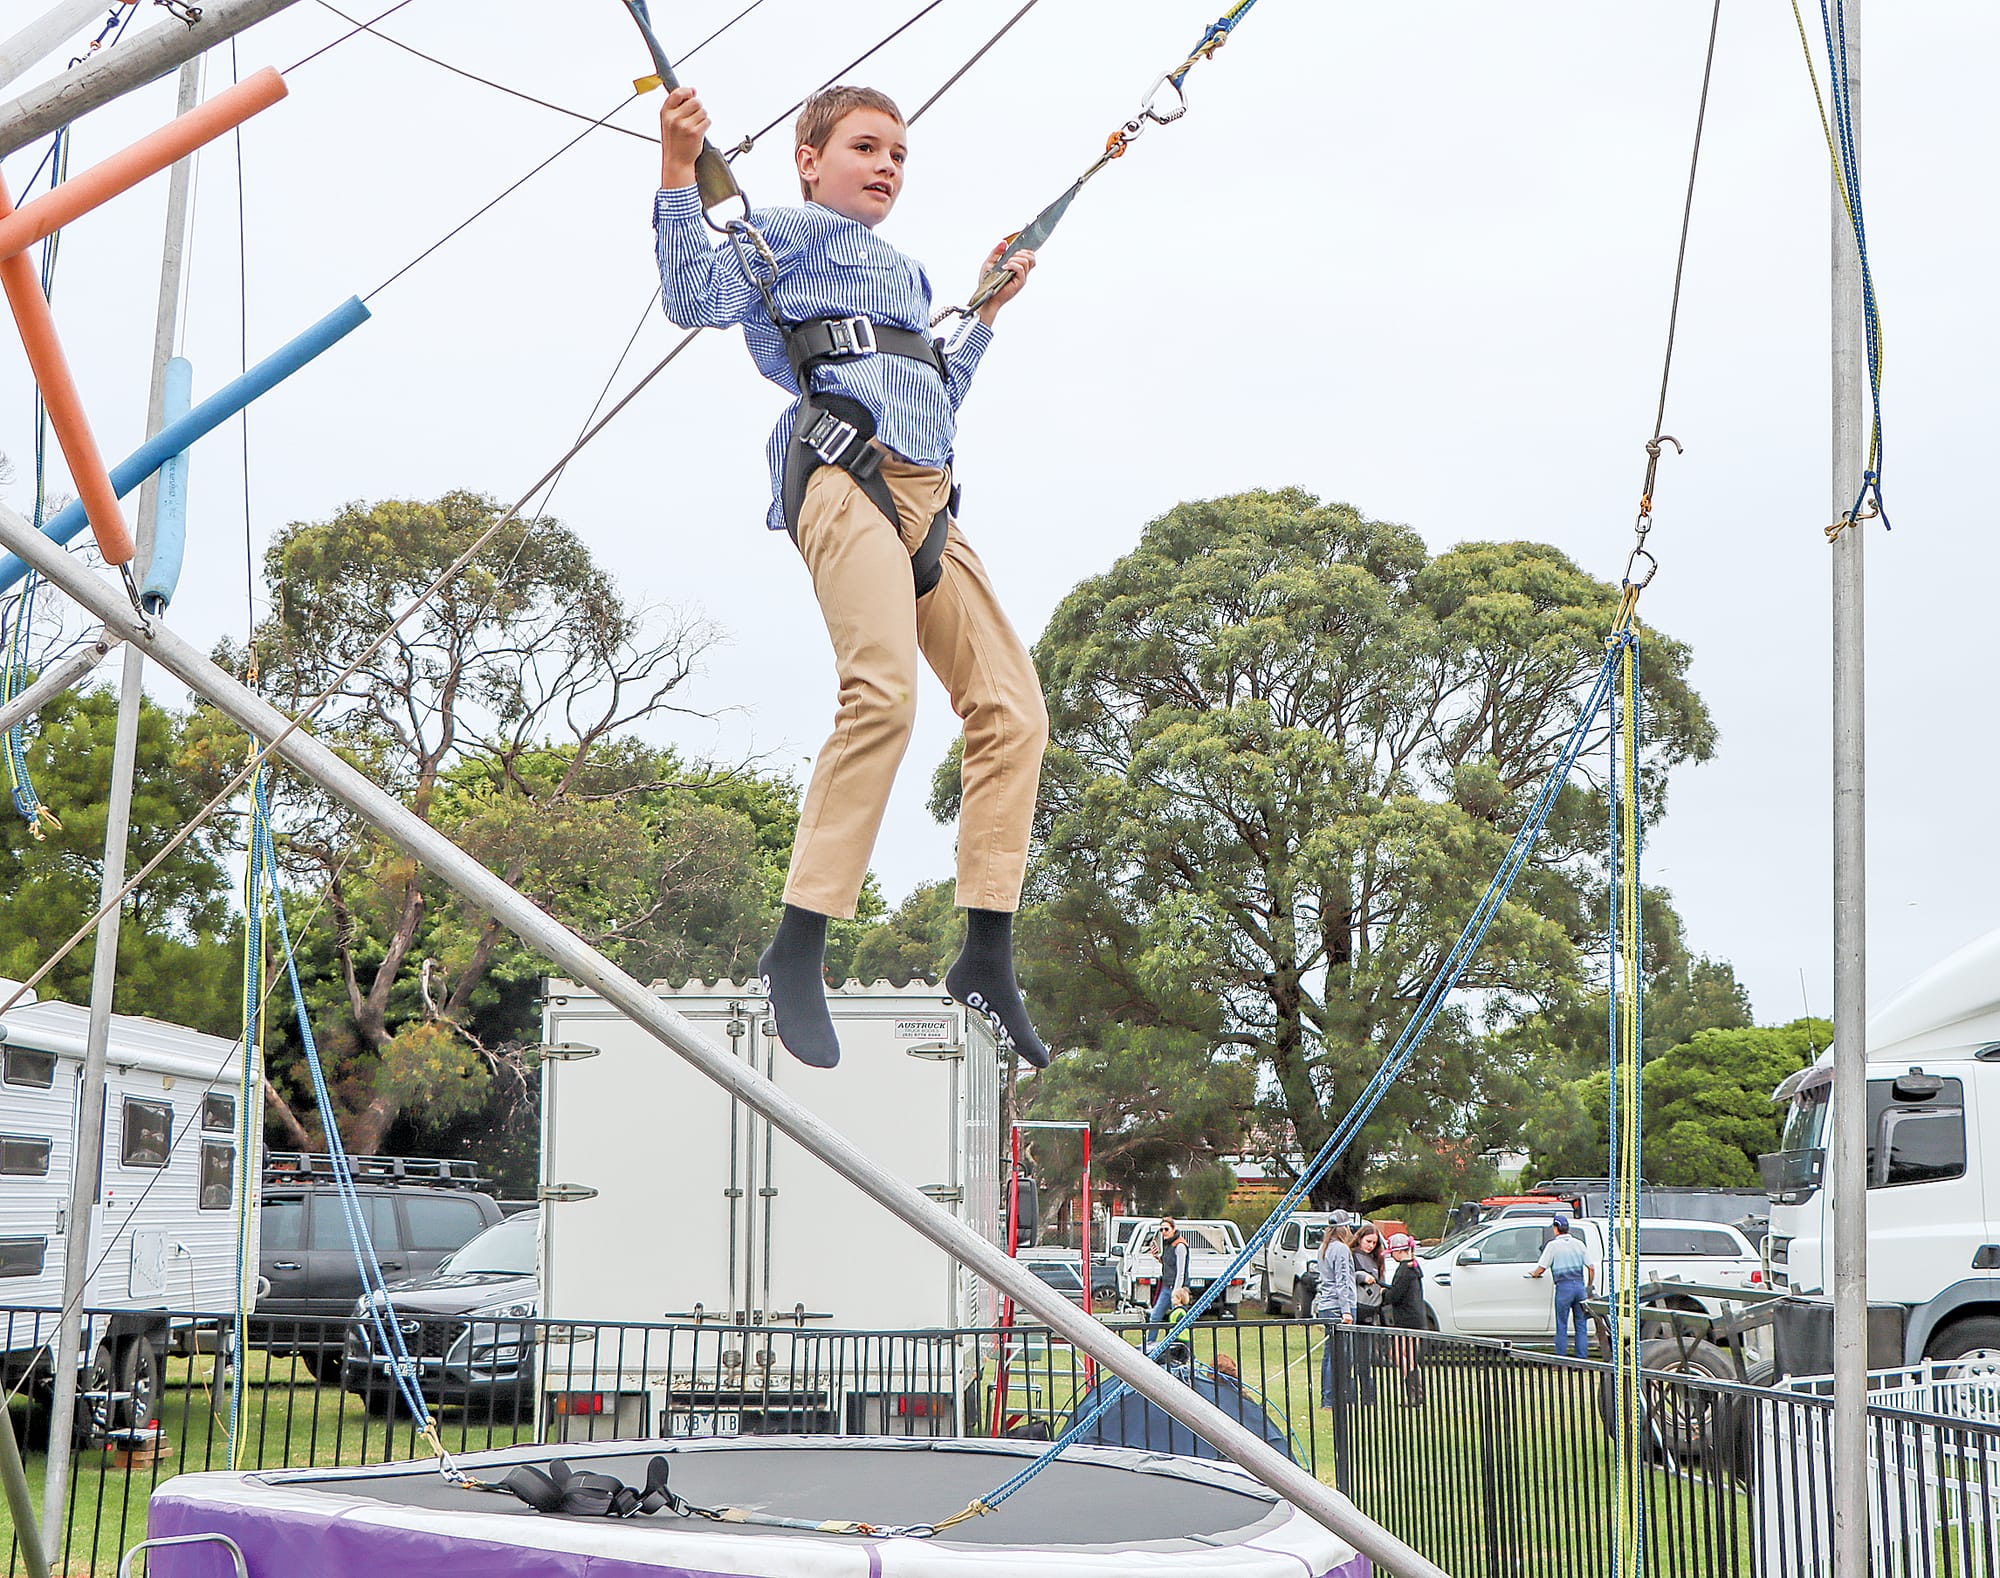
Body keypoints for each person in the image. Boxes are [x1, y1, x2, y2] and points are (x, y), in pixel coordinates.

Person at [654, 84, 1048, 1071]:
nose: (886, 167)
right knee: (882, 696)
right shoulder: (776, 231)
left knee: (1012, 709)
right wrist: (675, 164)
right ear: (807, 157)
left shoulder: (912, 278)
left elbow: (937, 392)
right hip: (842, 471)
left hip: (930, 493)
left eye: (899, 155)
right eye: (866, 147)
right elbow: (690, 297)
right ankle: (798, 945)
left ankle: (985, 954)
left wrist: (986, 311)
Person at [1528, 1213, 1596, 1358]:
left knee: (1562, 1325)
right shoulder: (1579, 1244)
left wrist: (1534, 1274)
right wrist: (1588, 1287)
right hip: (1579, 1286)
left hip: (1563, 1287)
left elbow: (1541, 1268)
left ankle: (1561, 1360)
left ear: (1556, 1228)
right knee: (1581, 1325)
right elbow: (1591, 1267)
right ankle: (1582, 1359)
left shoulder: (1553, 1246)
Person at [1380, 1232, 1427, 1407]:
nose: (1391, 1256)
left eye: (1392, 1252)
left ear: (1399, 1252)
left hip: (1407, 1321)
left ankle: (1415, 1391)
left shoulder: (1404, 1270)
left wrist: (1384, 1293)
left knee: (1400, 1354)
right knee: (1407, 1355)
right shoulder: (1414, 1267)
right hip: (1416, 1318)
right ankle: (1416, 1390)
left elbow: (1395, 1295)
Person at [1313, 1222, 1357, 1409]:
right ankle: (1334, 1399)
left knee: (1329, 1354)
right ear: (1344, 1229)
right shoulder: (1341, 1249)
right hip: (1338, 1307)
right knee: (1342, 1354)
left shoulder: (1324, 1247)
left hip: (1326, 1305)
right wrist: (1346, 1310)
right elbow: (1342, 1280)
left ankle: (1328, 1397)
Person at [1349, 1222, 1386, 1405]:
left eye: (1374, 1242)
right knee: (1356, 1355)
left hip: (1373, 1309)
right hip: (1359, 1307)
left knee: (1367, 1356)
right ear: (1360, 1239)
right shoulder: (1353, 1256)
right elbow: (1347, 1275)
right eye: (1368, 1241)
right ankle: (1353, 1394)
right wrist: (1362, 1277)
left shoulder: (1375, 1259)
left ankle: (1367, 1395)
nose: (1370, 1245)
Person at [1148, 1219, 1193, 1340]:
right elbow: (1168, 1263)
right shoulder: (1167, 1244)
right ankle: (1149, 1344)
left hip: (1177, 1289)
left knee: (1177, 1319)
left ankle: (1181, 1347)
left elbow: (1181, 1270)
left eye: (1166, 1229)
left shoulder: (1180, 1245)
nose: (1164, 1232)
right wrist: (1158, 1257)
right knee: (1155, 1316)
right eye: (1161, 1229)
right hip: (1166, 1286)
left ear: (1173, 1229)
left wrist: (1176, 1290)